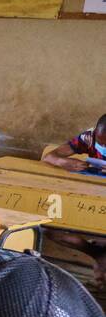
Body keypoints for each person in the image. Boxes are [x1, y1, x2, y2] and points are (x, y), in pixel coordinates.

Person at [42, 114, 106, 290]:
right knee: (52, 230)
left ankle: (101, 263)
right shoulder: (88, 137)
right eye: (101, 142)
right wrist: (64, 162)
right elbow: (49, 157)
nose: (103, 147)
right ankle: (99, 256)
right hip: (89, 201)